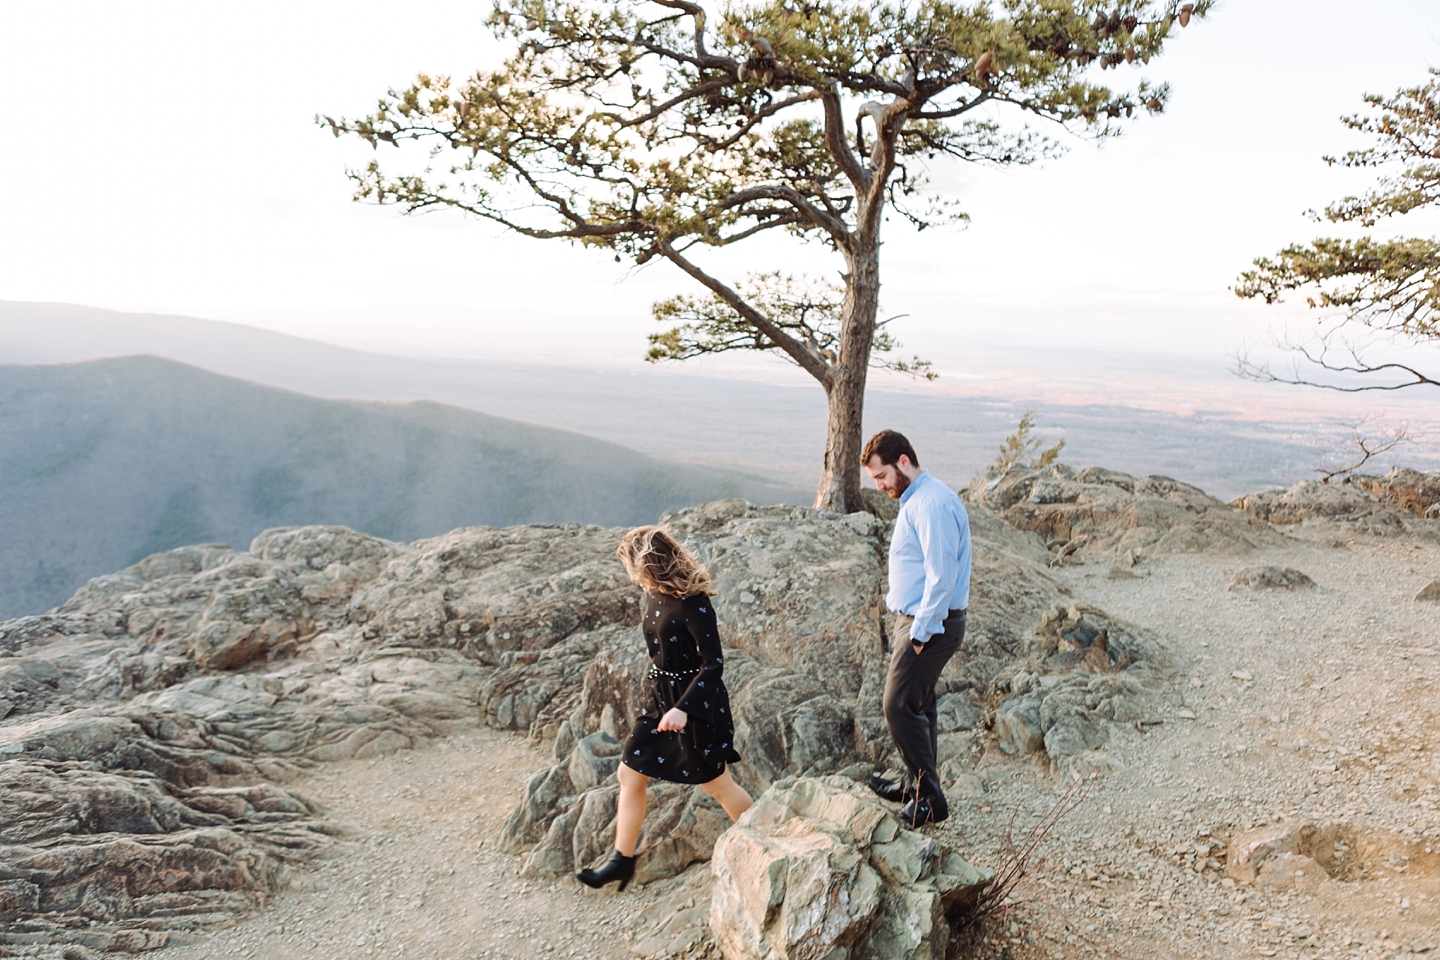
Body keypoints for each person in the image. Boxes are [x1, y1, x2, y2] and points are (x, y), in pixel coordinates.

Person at [576, 526, 753, 891]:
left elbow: (713, 665)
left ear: (647, 564)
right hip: (659, 701)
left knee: (716, 785)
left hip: (696, 704)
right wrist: (659, 703)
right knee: (630, 773)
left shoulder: (695, 603)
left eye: (631, 567)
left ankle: (764, 835)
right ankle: (621, 861)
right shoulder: (654, 595)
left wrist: (685, 708)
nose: (630, 576)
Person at [862, 429, 972, 827]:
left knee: (897, 705)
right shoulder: (918, 499)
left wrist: (921, 632)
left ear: (903, 462)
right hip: (917, 620)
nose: (879, 486)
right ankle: (915, 785)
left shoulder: (932, 504)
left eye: (881, 476)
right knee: (919, 705)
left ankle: (929, 801)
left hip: (930, 624)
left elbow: (941, 576)